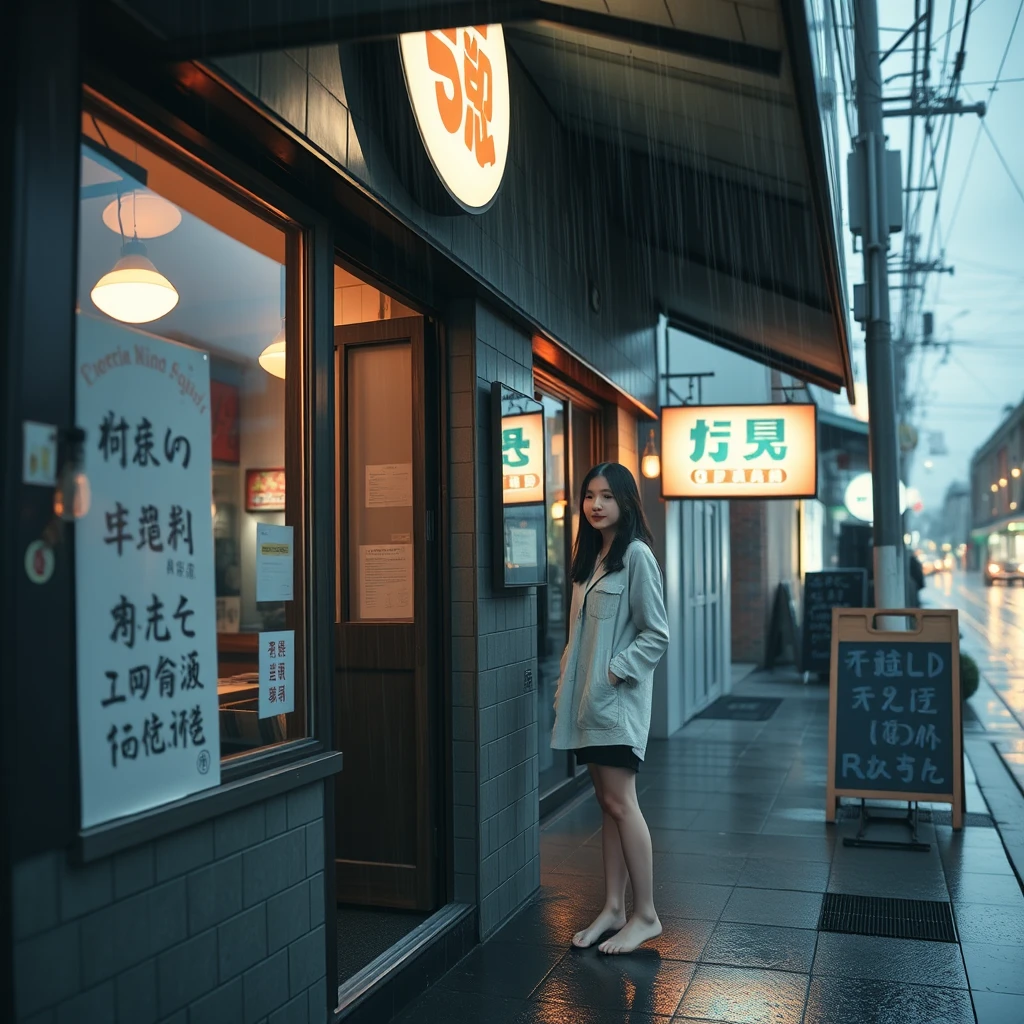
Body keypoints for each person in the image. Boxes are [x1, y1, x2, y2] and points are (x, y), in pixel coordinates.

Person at [551, 462, 670, 955]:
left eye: (606, 496)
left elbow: (656, 633)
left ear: (625, 501)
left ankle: (645, 915)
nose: (595, 505)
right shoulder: (592, 559)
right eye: (589, 496)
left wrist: (613, 672)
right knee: (609, 807)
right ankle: (614, 908)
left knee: (623, 804)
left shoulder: (636, 556)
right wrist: (568, 689)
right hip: (589, 706)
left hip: (615, 704)